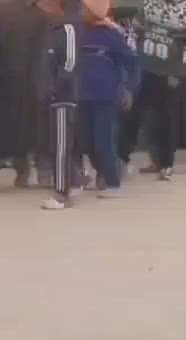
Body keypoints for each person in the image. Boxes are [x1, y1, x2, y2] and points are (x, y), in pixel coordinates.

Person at [118, 0, 186, 180]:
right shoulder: (150, 5)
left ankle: (166, 165)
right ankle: (121, 159)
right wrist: (133, 57)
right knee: (132, 116)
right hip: (144, 71)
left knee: (166, 121)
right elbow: (134, 31)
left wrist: (180, 73)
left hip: (168, 75)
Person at [0, 0, 67, 188]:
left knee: (40, 126)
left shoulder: (47, 10)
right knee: (23, 126)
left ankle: (41, 171)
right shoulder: (4, 11)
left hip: (37, 77)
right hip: (17, 78)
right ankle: (25, 170)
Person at [75, 0, 140, 200]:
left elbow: (132, 64)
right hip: (81, 96)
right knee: (84, 141)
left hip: (105, 97)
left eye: (84, 7)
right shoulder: (77, 32)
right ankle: (104, 171)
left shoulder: (112, 35)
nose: (80, 10)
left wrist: (128, 90)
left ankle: (112, 181)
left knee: (104, 141)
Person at [37, 0, 83, 209]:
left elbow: (70, 62)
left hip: (63, 98)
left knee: (61, 147)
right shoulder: (51, 31)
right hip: (53, 99)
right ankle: (73, 183)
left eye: (45, 5)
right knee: (58, 144)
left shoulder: (68, 29)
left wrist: (56, 88)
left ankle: (61, 194)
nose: (41, 9)